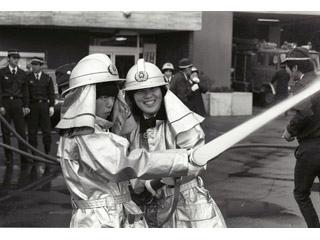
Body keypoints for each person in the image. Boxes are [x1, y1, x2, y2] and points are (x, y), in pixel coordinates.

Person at [55, 54, 200, 228]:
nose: (110, 104)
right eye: (102, 97)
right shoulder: (84, 132)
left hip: (114, 215)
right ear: (86, 98)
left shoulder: (94, 129)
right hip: (100, 221)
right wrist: (182, 159)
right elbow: (124, 161)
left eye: (112, 96)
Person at [123, 58, 226, 228]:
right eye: (140, 90)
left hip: (187, 206)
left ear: (162, 90)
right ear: (132, 96)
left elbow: (196, 163)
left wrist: (155, 182)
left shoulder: (183, 122)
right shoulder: (130, 127)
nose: (148, 95)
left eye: (153, 88)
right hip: (147, 209)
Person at [282, 47, 320, 228]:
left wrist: (290, 130)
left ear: (296, 67)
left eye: (288, 68)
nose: (288, 72)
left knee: (301, 193)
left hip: (311, 149)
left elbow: (305, 113)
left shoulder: (301, 86)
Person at [0, 49, 30, 185]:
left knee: (21, 131)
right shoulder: (2, 72)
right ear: (8, 59)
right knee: (6, 132)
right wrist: (0, 105)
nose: (16, 60)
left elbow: (25, 91)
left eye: (17, 58)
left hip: (18, 103)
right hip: (6, 103)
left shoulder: (22, 73)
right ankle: (9, 158)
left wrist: (26, 105)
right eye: (13, 58)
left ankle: (24, 157)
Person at [26, 57, 55, 177]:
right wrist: (26, 106)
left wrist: (52, 106)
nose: (35, 66)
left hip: (44, 106)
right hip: (33, 106)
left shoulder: (47, 78)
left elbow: (51, 92)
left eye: (37, 64)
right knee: (32, 131)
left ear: (41, 66)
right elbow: (26, 93)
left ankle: (47, 152)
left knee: (46, 131)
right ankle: (34, 154)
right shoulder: (28, 78)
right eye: (33, 64)